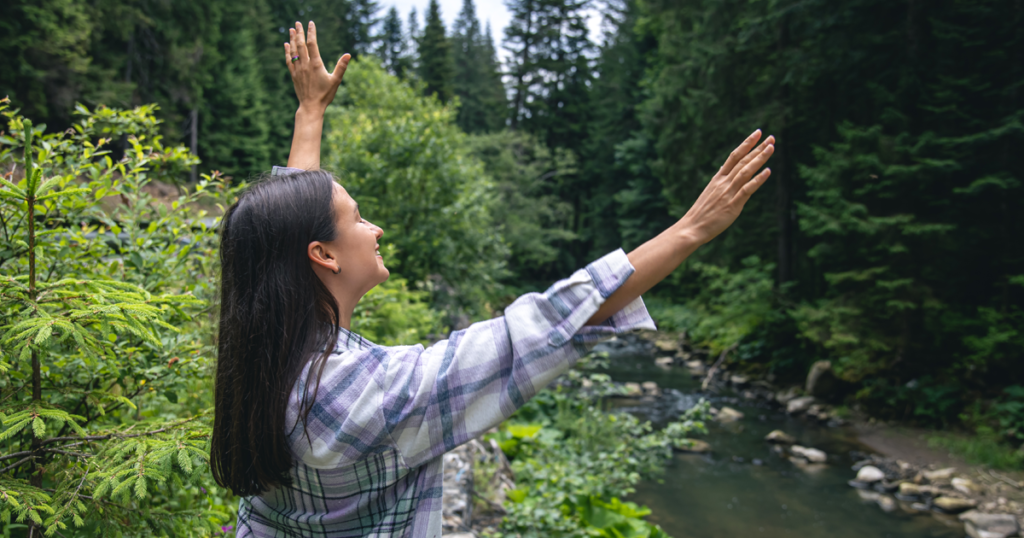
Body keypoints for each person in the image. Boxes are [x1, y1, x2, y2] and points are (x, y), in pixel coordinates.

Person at [210, 21, 774, 538]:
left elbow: (281, 242)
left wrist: (310, 113)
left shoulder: (266, 352)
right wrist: (691, 230)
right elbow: (539, 331)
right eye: (359, 218)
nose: (375, 228)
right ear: (324, 257)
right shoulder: (367, 397)